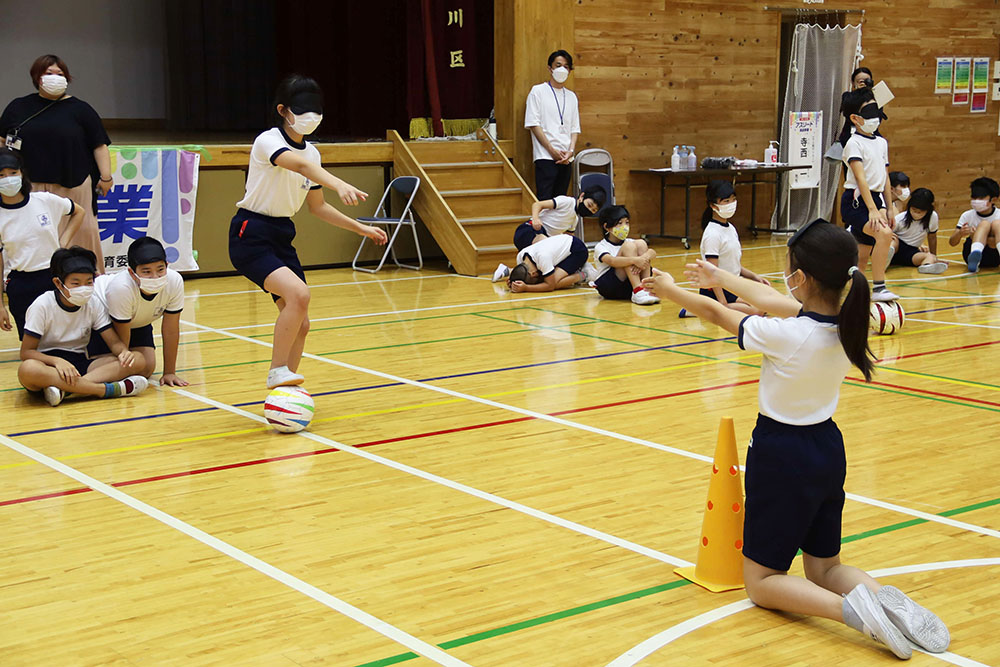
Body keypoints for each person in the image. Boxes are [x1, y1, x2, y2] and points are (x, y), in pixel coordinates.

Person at [643, 219, 949, 660]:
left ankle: (852, 613)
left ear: (801, 278)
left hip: (782, 453)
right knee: (826, 566)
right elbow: (769, 298)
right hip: (828, 448)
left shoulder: (786, 334)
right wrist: (718, 277)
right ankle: (886, 600)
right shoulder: (849, 319)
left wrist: (670, 289)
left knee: (762, 583)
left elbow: (717, 313)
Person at [229, 74, 387, 389]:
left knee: (301, 323)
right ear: (283, 110)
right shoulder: (268, 140)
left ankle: (285, 390)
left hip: (281, 235)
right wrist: (339, 182)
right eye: (302, 110)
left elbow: (318, 207)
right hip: (251, 233)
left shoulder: (313, 154)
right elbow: (299, 167)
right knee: (299, 295)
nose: (310, 117)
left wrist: (361, 228)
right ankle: (277, 371)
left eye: (315, 109)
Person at [0, 55, 112, 269]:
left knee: (81, 231)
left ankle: (87, 277)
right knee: (33, 234)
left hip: (74, 182)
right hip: (29, 186)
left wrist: (106, 177)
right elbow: (3, 139)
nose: (55, 78)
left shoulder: (81, 109)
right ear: (37, 78)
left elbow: (99, 145)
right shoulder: (18, 107)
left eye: (60, 74)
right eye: (49, 73)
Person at [17, 246, 147, 407]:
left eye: (88, 282)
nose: (84, 288)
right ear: (58, 283)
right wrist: (57, 361)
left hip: (80, 364)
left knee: (138, 360)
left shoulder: (92, 303)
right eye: (76, 283)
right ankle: (104, 390)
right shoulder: (42, 305)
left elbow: (113, 342)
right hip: (48, 366)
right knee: (28, 369)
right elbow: (26, 352)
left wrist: (123, 352)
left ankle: (67, 390)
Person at [0, 147, 84, 339]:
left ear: (22, 173)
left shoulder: (44, 200)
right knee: (34, 345)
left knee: (64, 338)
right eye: (1, 175)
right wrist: (0, 305)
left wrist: (63, 242)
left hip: (54, 277)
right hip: (20, 284)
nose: (8, 179)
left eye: (13, 173)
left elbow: (78, 212)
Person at [88, 237, 188, 386]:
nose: (155, 277)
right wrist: (125, 366)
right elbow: (122, 345)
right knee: (129, 365)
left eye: (160, 269)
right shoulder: (121, 288)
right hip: (106, 321)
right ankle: (79, 381)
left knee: (146, 368)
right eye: (146, 271)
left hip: (138, 320)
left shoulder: (175, 281)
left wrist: (169, 372)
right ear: (132, 272)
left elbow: (171, 329)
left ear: (167, 265)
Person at [840, 87, 898, 301]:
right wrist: (873, 211)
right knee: (883, 234)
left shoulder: (881, 142)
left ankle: (854, 296)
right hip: (855, 201)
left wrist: (889, 207)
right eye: (869, 113)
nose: (876, 119)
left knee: (862, 257)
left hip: (874, 199)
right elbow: (861, 179)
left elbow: (885, 177)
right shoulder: (853, 143)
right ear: (855, 118)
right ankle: (880, 287)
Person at [679, 180, 768, 318]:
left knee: (765, 305)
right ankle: (704, 309)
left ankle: (709, 309)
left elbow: (731, 263)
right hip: (717, 289)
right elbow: (712, 272)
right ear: (713, 205)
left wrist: (754, 277)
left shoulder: (730, 228)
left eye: (733, 200)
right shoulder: (713, 234)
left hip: (733, 285)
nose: (731, 204)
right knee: (757, 312)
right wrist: (723, 302)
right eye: (726, 201)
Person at [491, 186, 605, 282]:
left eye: (593, 211)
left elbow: (569, 238)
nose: (589, 210)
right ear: (582, 196)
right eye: (589, 205)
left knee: (542, 271)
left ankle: (509, 271)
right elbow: (537, 205)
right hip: (530, 230)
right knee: (545, 247)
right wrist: (535, 219)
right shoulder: (567, 201)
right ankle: (584, 272)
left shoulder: (574, 220)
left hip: (544, 241)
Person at [524, 50, 581, 200]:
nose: (562, 69)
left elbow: (575, 128)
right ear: (550, 68)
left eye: (566, 66)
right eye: (558, 65)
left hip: (566, 158)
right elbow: (533, 124)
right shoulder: (538, 91)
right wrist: (551, 150)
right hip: (545, 156)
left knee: (560, 202)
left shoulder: (571, 96)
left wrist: (571, 151)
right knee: (545, 200)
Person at [591, 205, 659, 305]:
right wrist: (635, 260)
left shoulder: (630, 241)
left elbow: (652, 252)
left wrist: (643, 258)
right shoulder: (601, 246)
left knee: (641, 243)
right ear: (606, 227)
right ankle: (637, 290)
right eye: (619, 223)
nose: (625, 227)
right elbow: (612, 261)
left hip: (627, 285)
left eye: (627, 222)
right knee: (629, 247)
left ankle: (646, 288)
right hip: (610, 287)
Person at [888, 188, 947, 274]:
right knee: (893, 240)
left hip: (911, 253)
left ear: (928, 210)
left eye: (920, 212)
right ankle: (884, 260)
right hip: (896, 248)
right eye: (914, 210)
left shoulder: (932, 217)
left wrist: (934, 257)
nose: (916, 214)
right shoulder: (900, 218)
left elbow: (932, 237)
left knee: (930, 257)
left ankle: (926, 266)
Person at [507, 232, 589, 293]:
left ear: (533, 274)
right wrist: (513, 280)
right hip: (562, 248)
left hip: (577, 250)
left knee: (554, 283)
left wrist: (526, 288)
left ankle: (585, 274)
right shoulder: (520, 257)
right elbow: (520, 273)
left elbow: (550, 286)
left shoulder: (543, 257)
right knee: (545, 280)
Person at [953, 176, 1000, 273]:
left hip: (995, 255)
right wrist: (960, 233)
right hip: (970, 252)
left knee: (997, 224)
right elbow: (952, 242)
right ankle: (975, 255)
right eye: (974, 198)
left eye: (981, 198)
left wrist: (977, 236)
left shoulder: (998, 215)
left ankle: (978, 248)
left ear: (993, 200)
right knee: (984, 224)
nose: (976, 201)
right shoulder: (967, 215)